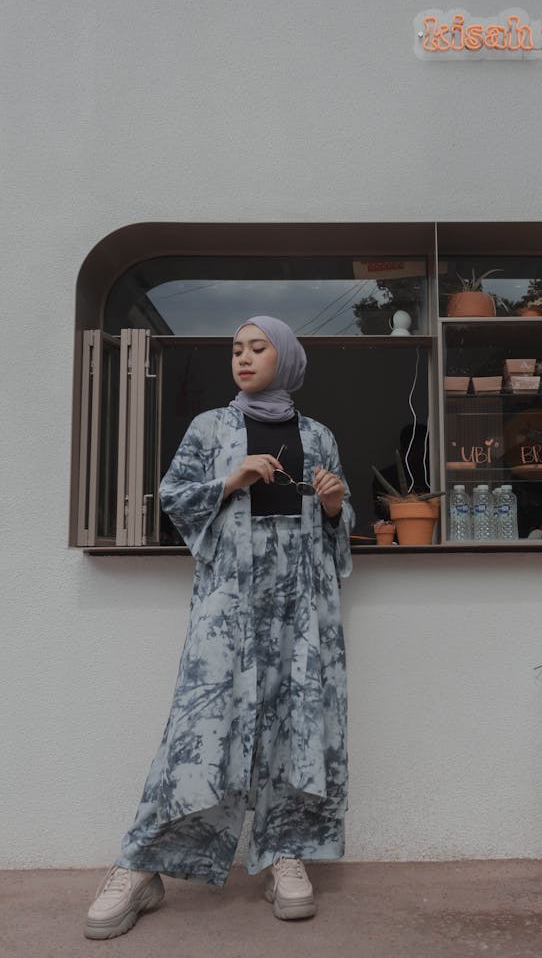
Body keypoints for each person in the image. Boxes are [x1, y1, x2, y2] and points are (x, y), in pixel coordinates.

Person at [85, 316, 355, 940]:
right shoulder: (211, 427)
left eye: (258, 348)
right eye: (236, 348)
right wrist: (231, 480)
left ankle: (285, 852)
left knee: (297, 720)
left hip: (300, 605)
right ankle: (141, 864)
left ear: (285, 358)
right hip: (229, 599)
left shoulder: (318, 435)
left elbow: (337, 539)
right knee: (199, 728)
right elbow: (173, 496)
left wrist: (337, 506)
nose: (243, 357)